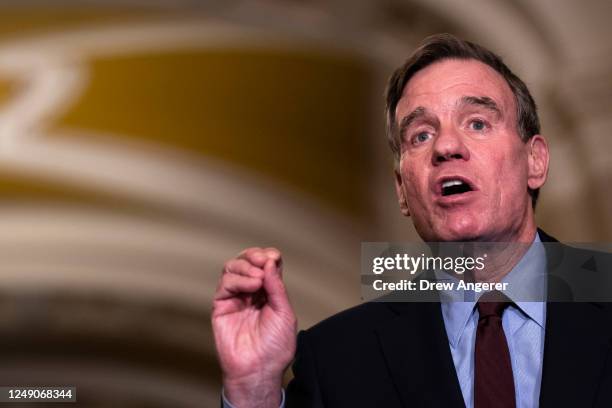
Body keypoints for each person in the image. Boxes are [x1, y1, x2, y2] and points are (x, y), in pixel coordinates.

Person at [212, 34, 612, 408]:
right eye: (421, 135)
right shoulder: (337, 357)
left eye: (477, 123)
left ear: (535, 161)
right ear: (403, 189)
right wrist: (254, 389)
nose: (447, 147)